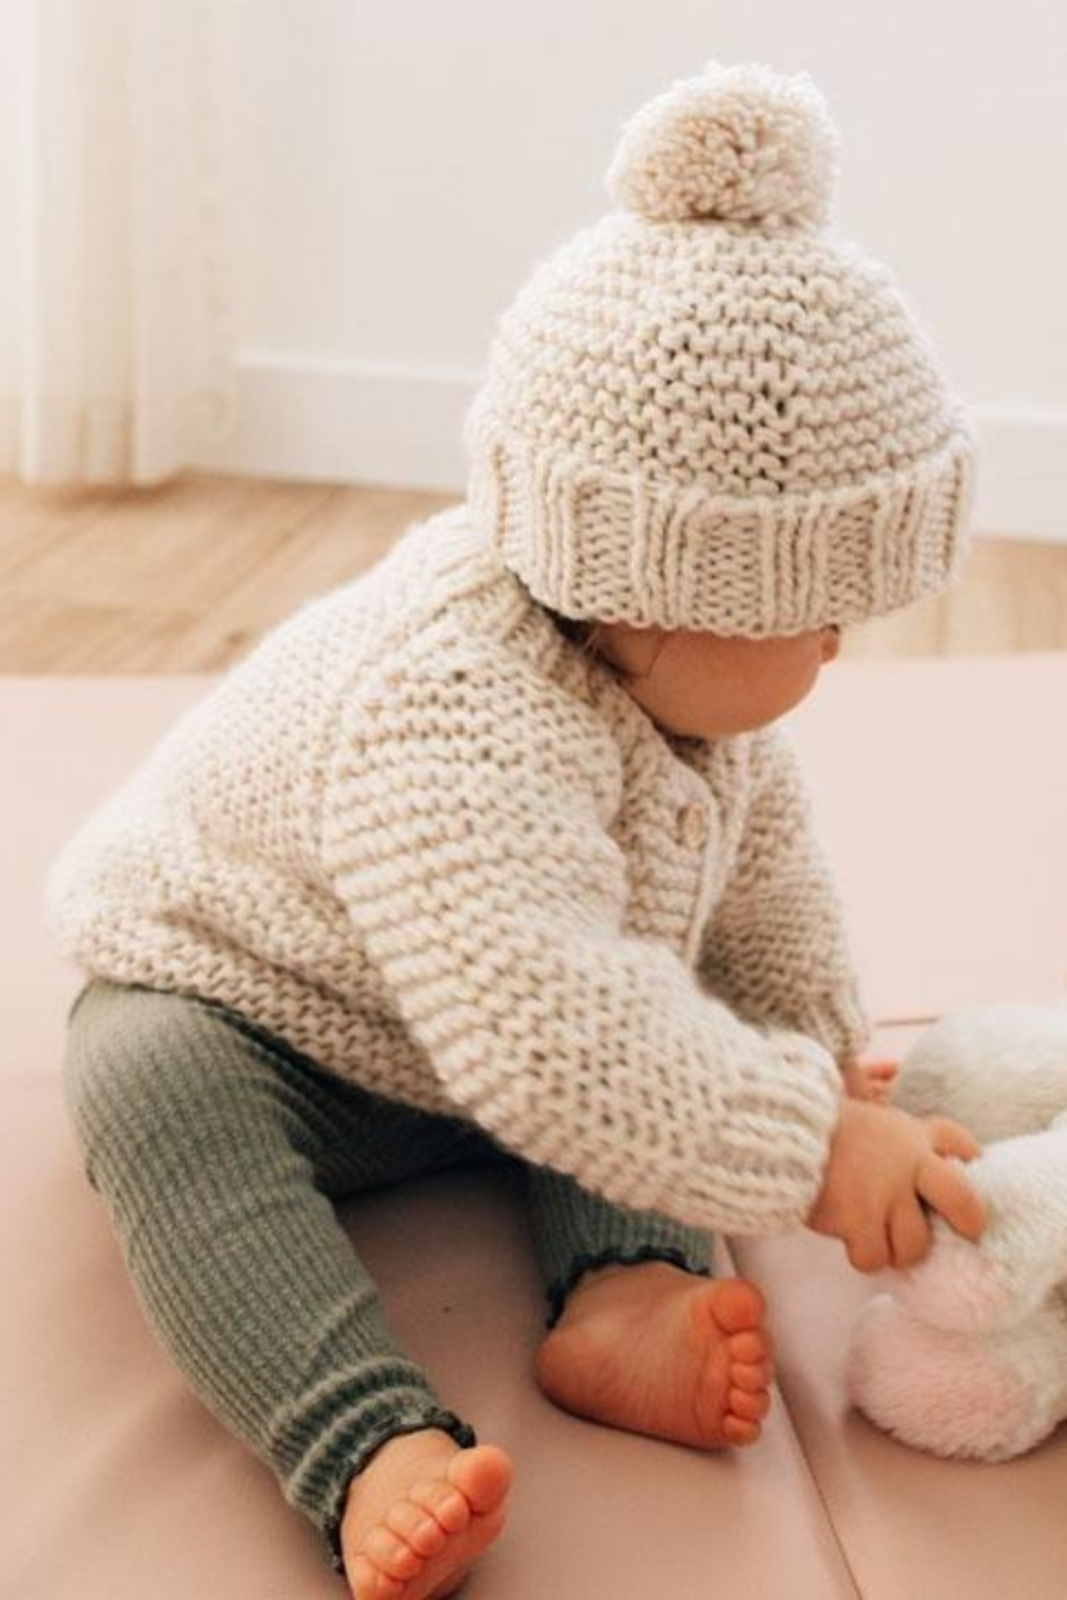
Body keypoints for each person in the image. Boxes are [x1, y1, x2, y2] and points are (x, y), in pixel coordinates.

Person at [44, 59, 988, 1600]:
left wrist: (809, 1058)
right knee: (148, 1093)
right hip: (256, 1007)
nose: (836, 647)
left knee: (644, 994)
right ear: (659, 586)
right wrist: (807, 1149)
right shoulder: (454, 708)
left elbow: (760, 895)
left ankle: (623, 1292)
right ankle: (358, 1440)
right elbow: (547, 1024)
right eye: (817, 608)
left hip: (485, 1034)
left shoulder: (686, 696)